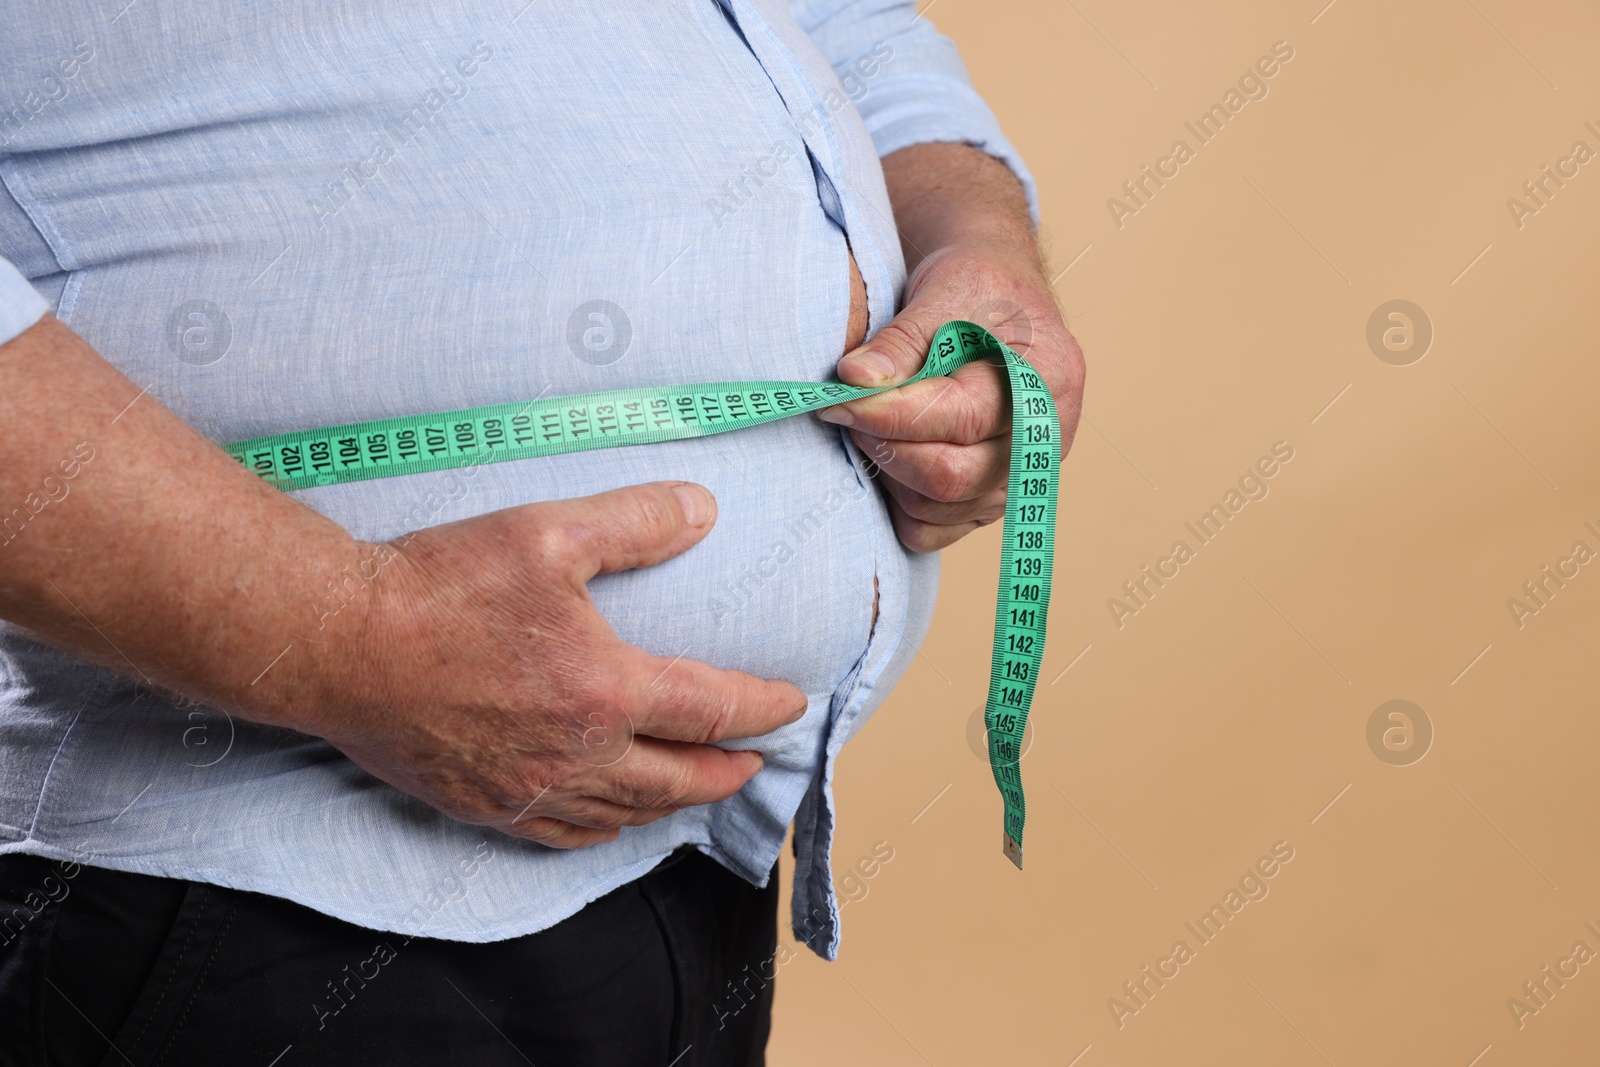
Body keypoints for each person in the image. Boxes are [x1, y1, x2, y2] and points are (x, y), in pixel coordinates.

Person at [0, 1, 1083, 1063]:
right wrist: (346, 631)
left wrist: (979, 243)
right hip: (236, 885)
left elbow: (845, 24)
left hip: (678, 887)